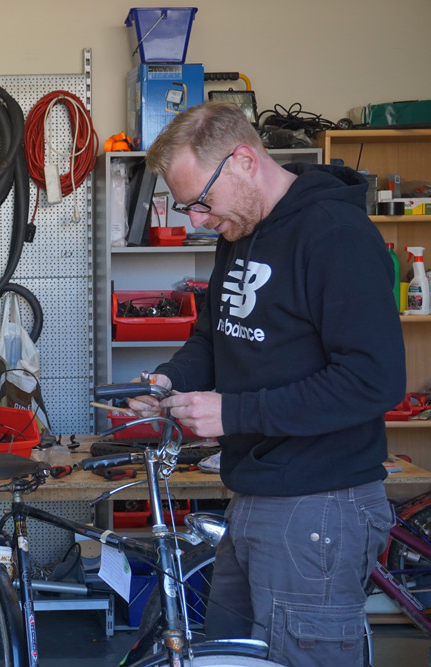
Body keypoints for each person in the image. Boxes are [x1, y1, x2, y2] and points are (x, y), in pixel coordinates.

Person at [128, 101, 404, 666]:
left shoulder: (337, 236)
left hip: (320, 504)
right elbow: (213, 339)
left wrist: (233, 415)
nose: (196, 221)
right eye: (185, 208)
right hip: (254, 494)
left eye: (200, 202)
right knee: (232, 656)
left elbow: (374, 380)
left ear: (244, 161)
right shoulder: (240, 230)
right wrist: (166, 382)